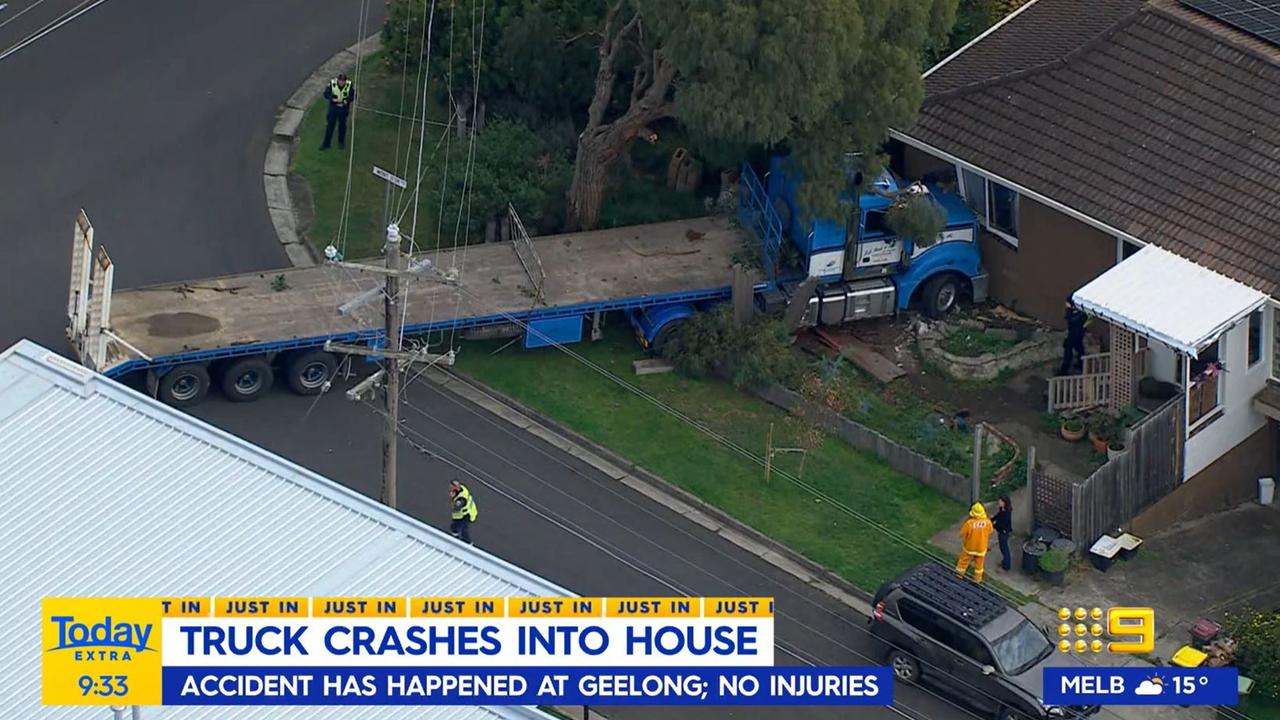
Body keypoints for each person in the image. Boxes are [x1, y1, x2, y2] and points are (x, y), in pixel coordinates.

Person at [956, 502, 993, 584]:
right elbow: (990, 531)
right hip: (981, 548)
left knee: (963, 561)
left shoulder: (969, 523)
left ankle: (959, 575)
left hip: (970, 547)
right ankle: (977, 579)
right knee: (979, 565)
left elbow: (962, 533)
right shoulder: (987, 522)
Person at [320, 73, 356, 150]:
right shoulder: (332, 83)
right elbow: (326, 93)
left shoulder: (349, 85)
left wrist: (346, 100)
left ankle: (341, 143)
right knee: (330, 126)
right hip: (333, 108)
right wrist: (332, 98)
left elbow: (353, 96)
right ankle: (326, 144)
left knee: (342, 126)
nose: (341, 82)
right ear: (338, 80)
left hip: (343, 109)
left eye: (343, 81)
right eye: (340, 81)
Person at [1059, 296, 1088, 375]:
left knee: (1068, 351)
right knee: (1079, 349)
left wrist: (1069, 310)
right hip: (1078, 333)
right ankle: (1081, 364)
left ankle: (1064, 370)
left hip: (1075, 333)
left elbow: (1070, 319)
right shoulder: (1079, 312)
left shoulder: (1076, 313)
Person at [449, 479, 478, 544]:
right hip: (463, 513)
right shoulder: (462, 488)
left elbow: (456, 508)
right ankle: (455, 538)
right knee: (454, 527)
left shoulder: (461, 499)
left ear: (455, 487)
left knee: (464, 530)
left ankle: (469, 544)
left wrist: (452, 498)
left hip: (466, 514)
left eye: (451, 487)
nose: (450, 488)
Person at [993, 496, 1013, 572]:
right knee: (1002, 548)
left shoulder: (1007, 513)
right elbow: (998, 516)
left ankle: (1006, 565)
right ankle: (1005, 562)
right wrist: (991, 519)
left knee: (1004, 549)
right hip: (1001, 531)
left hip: (1004, 532)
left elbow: (1001, 524)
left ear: (1004, 503)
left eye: (1001, 501)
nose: (999, 502)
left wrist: (993, 525)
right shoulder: (1002, 510)